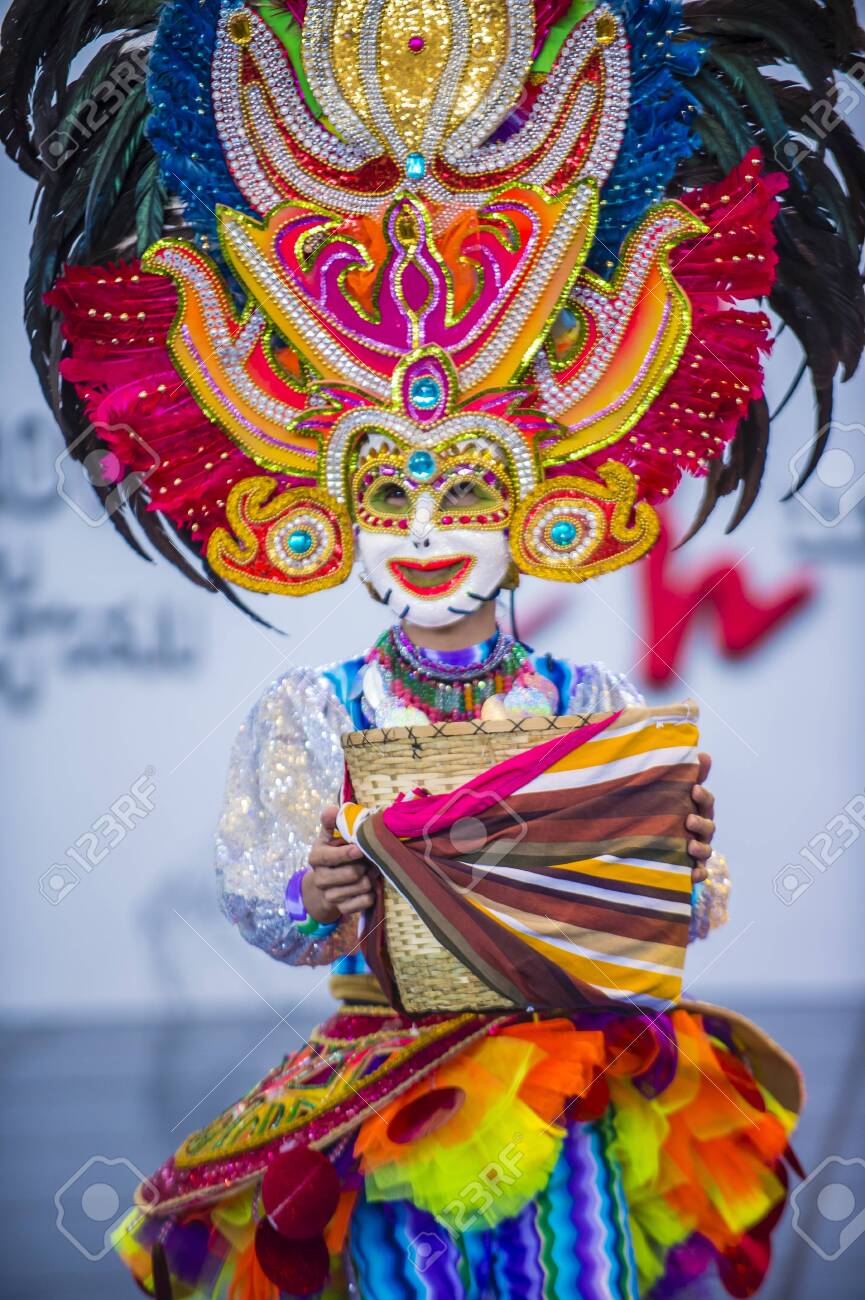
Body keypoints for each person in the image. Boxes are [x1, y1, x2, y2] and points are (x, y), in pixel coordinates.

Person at [4, 0, 863, 1294]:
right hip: (390, 1101)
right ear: (333, 515)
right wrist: (320, 894)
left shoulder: (587, 698)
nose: (425, 533)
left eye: (462, 496)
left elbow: (667, 906)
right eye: (389, 498)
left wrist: (680, 866)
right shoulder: (317, 706)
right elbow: (266, 902)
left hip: (582, 1090)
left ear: (531, 501)